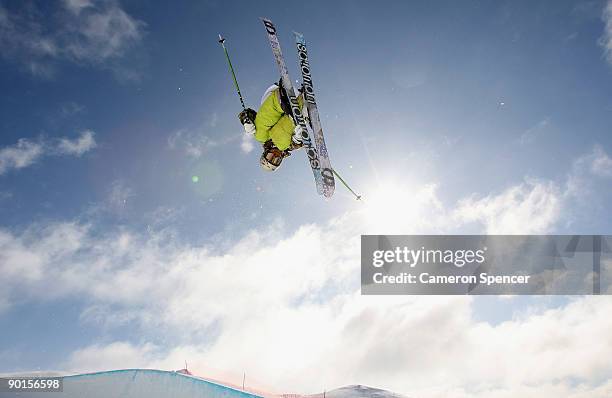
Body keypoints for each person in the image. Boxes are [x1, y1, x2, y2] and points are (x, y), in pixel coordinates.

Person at [238, 80, 307, 171]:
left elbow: (247, 113)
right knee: (282, 144)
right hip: (298, 108)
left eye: (270, 157)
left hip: (274, 98)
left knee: (259, 135)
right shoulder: (287, 147)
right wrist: (298, 139)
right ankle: (300, 110)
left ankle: (282, 99)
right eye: (276, 160)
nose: (275, 155)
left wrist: (246, 121)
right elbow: (299, 144)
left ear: (265, 153)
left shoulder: (264, 138)